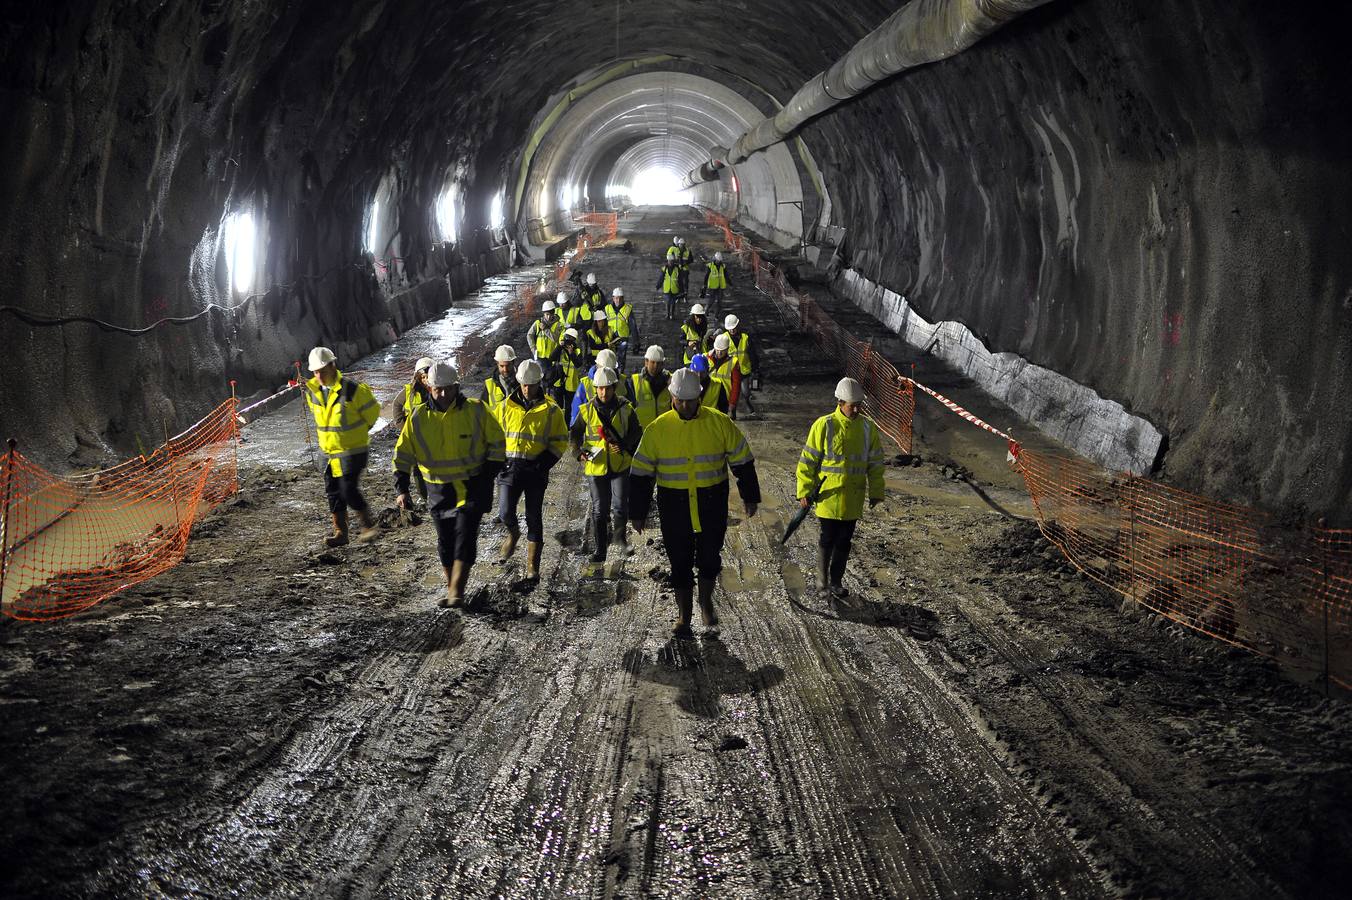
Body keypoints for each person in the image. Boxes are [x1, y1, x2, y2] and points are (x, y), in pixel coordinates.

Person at [629, 368, 760, 635]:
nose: (686, 405)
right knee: (679, 561)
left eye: (690, 400)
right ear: (672, 397)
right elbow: (641, 473)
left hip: (711, 502)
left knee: (710, 557)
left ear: (699, 397)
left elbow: (742, 460)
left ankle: (705, 602)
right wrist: (637, 511)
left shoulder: (720, 423)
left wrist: (750, 495)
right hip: (674, 505)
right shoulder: (657, 429)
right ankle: (684, 615)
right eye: (680, 400)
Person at [393, 362, 506, 607]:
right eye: (437, 390)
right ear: (430, 388)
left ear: (456, 387)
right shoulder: (418, 417)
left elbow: (498, 444)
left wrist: (487, 475)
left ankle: (456, 591)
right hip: (438, 490)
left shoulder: (476, 411)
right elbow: (403, 454)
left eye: (447, 389)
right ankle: (452, 586)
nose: (442, 395)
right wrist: (401, 488)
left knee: (465, 535)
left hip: (471, 486)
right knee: (445, 541)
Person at [796, 377, 886, 600]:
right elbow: (807, 461)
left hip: (853, 497)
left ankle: (836, 581)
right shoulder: (824, 425)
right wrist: (804, 490)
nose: (855, 409)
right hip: (828, 496)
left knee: (844, 541)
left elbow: (875, 463)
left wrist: (876, 492)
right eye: (851, 405)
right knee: (827, 538)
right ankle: (822, 581)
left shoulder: (867, 428)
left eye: (858, 405)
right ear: (839, 402)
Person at [495, 359, 569, 581]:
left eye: (532, 385)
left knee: (534, 517)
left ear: (539, 383)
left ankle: (532, 567)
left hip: (536, 470)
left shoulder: (551, 410)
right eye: (524, 385)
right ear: (519, 383)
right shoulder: (505, 407)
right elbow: (493, 436)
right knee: (505, 512)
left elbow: (560, 441)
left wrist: (543, 464)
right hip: (509, 468)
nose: (528, 389)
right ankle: (513, 533)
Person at [303, 346, 381, 547]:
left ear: (332, 365)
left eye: (322, 370)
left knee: (348, 489)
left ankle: (367, 525)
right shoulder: (313, 393)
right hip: (328, 453)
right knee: (333, 493)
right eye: (315, 372)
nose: (318, 375)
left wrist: (357, 434)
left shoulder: (353, 390)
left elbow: (372, 413)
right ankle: (341, 533)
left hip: (352, 451)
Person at [570, 366, 643, 576]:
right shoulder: (586, 410)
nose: (604, 392)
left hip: (620, 465)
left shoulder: (626, 408)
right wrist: (579, 453)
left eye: (607, 389)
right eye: (600, 389)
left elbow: (636, 431)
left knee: (620, 507)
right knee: (599, 510)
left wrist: (625, 445)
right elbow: (574, 435)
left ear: (613, 388)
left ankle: (620, 538)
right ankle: (600, 550)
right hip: (596, 467)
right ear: (595, 389)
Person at [391, 356, 436, 501]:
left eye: (427, 376)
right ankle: (425, 496)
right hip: (416, 440)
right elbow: (397, 405)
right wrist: (403, 426)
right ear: (417, 377)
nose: (425, 380)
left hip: (435, 437)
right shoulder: (409, 392)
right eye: (422, 377)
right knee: (418, 468)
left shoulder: (439, 390)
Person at [571, 347, 630, 423]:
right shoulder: (586, 384)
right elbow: (576, 411)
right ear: (597, 366)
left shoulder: (622, 381)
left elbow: (631, 407)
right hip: (594, 430)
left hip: (618, 429)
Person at [720, 314, 759, 418]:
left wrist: (755, 369)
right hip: (731, 372)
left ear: (737, 326)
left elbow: (752, 354)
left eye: (733, 328)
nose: (732, 331)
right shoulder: (724, 338)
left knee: (746, 393)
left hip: (744, 371)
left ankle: (749, 407)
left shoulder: (745, 338)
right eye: (730, 329)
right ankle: (733, 413)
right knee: (733, 394)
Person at [629, 345, 672, 428]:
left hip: (664, 430)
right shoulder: (635, 381)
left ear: (663, 364)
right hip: (642, 433)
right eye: (653, 362)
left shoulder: (671, 380)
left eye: (658, 363)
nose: (655, 366)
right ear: (646, 362)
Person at [544, 327, 586, 410]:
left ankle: (567, 422)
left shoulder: (577, 350)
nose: (568, 341)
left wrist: (571, 353)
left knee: (569, 407)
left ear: (574, 340)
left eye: (570, 339)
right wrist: (559, 347)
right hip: (559, 381)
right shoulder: (560, 348)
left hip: (571, 383)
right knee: (558, 406)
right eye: (567, 337)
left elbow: (578, 364)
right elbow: (551, 358)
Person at [707, 334, 744, 420]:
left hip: (723, 400)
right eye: (718, 350)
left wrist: (732, 403)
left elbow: (736, 385)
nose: (719, 352)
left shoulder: (734, 362)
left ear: (727, 349)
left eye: (722, 350)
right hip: (709, 398)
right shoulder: (706, 357)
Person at [605, 287, 637, 370]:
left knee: (621, 359)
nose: (617, 300)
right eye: (616, 298)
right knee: (610, 359)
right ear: (613, 298)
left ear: (623, 298)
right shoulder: (607, 308)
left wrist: (636, 343)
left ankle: (620, 375)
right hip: (610, 338)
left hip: (623, 338)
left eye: (619, 298)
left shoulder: (627, 309)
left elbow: (633, 327)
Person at [483, 345, 518, 411]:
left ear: (513, 362)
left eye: (508, 365)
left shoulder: (523, 382)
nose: (505, 369)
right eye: (502, 366)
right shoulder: (489, 386)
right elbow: (482, 411)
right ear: (497, 364)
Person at [700, 251, 730, 316]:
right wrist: (704, 285)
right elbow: (706, 276)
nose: (718, 262)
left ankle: (716, 316)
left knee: (719, 302)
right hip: (712, 286)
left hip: (720, 286)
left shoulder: (723, 266)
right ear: (715, 259)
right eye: (717, 260)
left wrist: (730, 283)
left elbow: (726, 275)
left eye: (719, 261)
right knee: (711, 300)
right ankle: (706, 310)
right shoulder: (710, 266)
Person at [657, 250, 683, 320]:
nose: (671, 262)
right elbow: (661, 278)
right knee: (668, 302)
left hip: (674, 289)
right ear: (668, 261)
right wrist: (658, 285)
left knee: (673, 302)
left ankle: (672, 314)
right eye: (669, 261)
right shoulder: (664, 269)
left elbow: (680, 280)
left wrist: (682, 289)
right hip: (667, 289)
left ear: (673, 261)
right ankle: (668, 314)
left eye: (672, 261)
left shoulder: (677, 269)